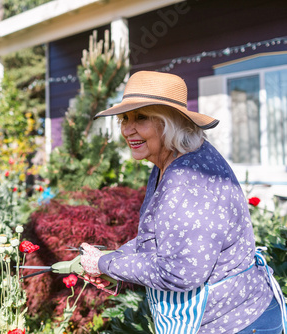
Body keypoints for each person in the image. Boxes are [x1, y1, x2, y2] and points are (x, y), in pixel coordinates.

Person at [79, 71, 287, 334]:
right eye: (124, 118)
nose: (127, 129)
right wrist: (113, 262)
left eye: (141, 118)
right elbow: (157, 239)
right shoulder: (170, 159)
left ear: (171, 122)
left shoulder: (188, 179)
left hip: (238, 324)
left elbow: (180, 271)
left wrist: (105, 264)